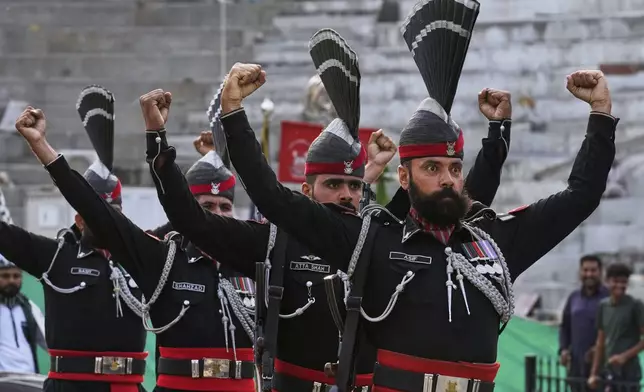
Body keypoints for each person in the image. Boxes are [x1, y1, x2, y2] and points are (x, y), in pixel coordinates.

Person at [143, 28, 512, 392]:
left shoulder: (379, 237)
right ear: (307, 191)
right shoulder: (277, 240)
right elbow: (198, 219)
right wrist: (166, 145)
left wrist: (496, 137)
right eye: (333, 185)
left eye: (355, 186)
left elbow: (460, 201)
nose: (348, 195)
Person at [15, 98, 257, 392]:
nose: (218, 214)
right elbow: (97, 210)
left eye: (225, 206)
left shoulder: (253, 259)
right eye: (207, 206)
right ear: (190, 211)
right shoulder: (162, 259)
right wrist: (42, 148)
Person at [1, 86, 148, 392]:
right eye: (98, 214)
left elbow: (193, 223)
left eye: (113, 213)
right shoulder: (55, 256)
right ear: (79, 219)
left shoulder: (143, 255)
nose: (108, 221)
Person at [589, 263, 644, 391]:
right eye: (615, 281)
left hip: (629, 373)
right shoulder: (603, 306)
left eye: (623, 282)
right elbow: (600, 342)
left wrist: (624, 356)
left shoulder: (635, 306)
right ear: (607, 281)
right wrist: (594, 373)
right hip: (609, 371)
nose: (619, 286)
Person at [559, 254, 608, 390]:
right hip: (576, 366)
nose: (589, 274)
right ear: (580, 272)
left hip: (601, 368)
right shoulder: (574, 298)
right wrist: (563, 349)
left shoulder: (609, 298)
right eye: (585, 270)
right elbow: (565, 327)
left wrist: (600, 350)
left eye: (593, 270)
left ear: (600, 272)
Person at [0, 256, 46, 374]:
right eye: (5, 276)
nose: (11, 280)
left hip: (28, 378)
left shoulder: (29, 307)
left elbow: (50, 343)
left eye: (16, 276)